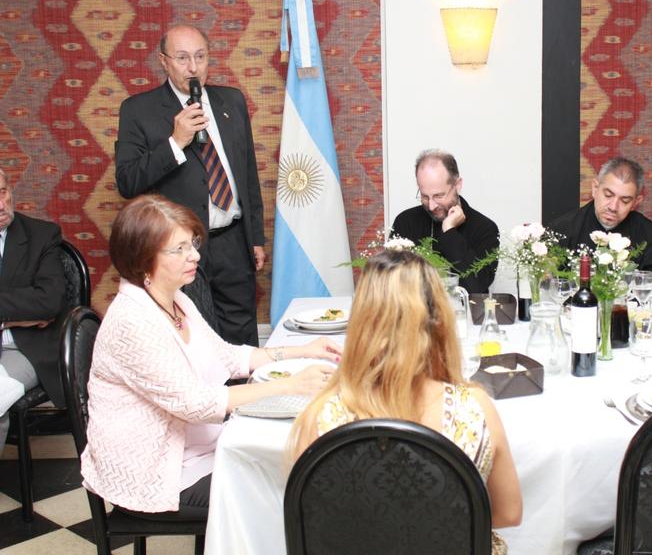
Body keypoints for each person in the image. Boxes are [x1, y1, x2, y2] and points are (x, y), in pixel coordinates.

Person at [80, 195, 341, 519]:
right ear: (143, 259)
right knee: (290, 491)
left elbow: (227, 356)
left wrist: (301, 351)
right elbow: (195, 404)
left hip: (202, 448)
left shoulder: (175, 300)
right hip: (161, 472)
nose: (195, 256)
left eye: (193, 244)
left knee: (300, 464)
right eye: (179, 249)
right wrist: (290, 385)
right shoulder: (132, 321)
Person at [287, 250, 522, 553]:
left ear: (361, 321)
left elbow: (313, 519)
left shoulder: (321, 417)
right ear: (438, 320)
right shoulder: (474, 409)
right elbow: (509, 513)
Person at [115, 24, 265, 346]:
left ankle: (246, 397)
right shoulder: (138, 110)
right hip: (179, 247)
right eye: (182, 58)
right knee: (194, 340)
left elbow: (247, 173)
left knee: (241, 334)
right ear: (163, 61)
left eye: (200, 56)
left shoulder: (232, 101)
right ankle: (206, 399)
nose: (193, 67)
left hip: (233, 240)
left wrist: (256, 237)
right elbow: (127, 182)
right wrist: (174, 143)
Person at [0, 168, 67, 447]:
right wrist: (16, 314)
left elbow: (48, 302)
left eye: (3, 192)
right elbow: (32, 305)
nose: (1, 205)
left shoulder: (42, 235)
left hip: (24, 348)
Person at [549, 157, 652, 292]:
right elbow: (550, 288)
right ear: (595, 189)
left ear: (636, 202)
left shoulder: (651, 236)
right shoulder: (562, 230)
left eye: (625, 201)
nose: (613, 207)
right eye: (608, 195)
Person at [391, 149, 499, 293]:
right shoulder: (405, 221)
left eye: (439, 196)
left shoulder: (485, 228)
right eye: (424, 196)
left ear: (457, 185)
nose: (431, 205)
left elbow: (476, 288)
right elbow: (391, 284)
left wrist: (449, 231)